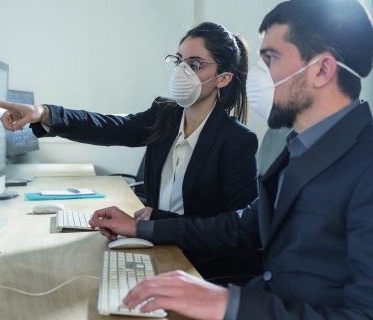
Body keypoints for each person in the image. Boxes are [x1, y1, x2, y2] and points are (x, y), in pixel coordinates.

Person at [88, 0, 373, 318]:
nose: (258, 75)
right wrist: (143, 228)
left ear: (322, 70)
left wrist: (227, 303)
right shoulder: (299, 148)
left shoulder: (365, 163)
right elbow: (239, 226)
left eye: (271, 58)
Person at [0, 22, 262, 280]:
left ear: (223, 78)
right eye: (179, 61)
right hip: (161, 247)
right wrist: (43, 113)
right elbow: (108, 126)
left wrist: (150, 225)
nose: (183, 72)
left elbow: (235, 230)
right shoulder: (165, 116)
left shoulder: (237, 140)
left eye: (195, 64)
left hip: (203, 267)